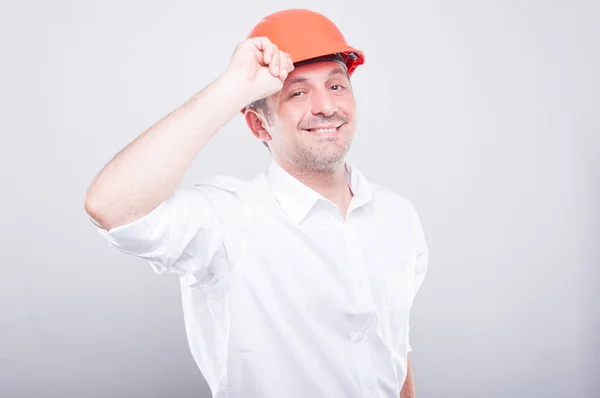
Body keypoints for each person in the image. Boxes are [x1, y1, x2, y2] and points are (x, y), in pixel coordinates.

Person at [84, 8, 429, 398]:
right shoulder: (229, 221)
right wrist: (234, 87)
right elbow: (110, 206)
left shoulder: (399, 217)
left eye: (336, 86)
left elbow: (393, 349)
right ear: (258, 125)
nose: (326, 107)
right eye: (298, 92)